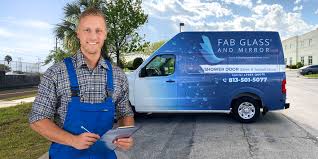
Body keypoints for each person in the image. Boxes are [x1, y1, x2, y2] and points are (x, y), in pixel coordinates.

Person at [29, 8, 134, 159]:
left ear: (105, 34)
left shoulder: (118, 76)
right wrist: (73, 140)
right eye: (87, 30)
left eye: (98, 30)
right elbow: (37, 119)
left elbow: (125, 113)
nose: (93, 36)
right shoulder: (56, 73)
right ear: (78, 33)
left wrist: (124, 135)